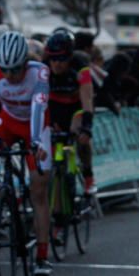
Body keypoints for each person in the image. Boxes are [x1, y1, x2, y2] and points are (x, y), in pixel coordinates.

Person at [0, 31, 54, 276]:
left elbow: (38, 109)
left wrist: (36, 142)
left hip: (36, 128)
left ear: (25, 63)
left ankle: (42, 255)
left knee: (38, 190)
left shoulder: (40, 72)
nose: (9, 76)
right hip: (8, 123)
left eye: (15, 69)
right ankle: (4, 200)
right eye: (4, 69)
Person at [43, 30, 96, 195]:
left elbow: (87, 100)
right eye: (53, 58)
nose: (57, 64)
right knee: (52, 148)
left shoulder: (80, 67)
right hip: (53, 108)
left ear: (70, 56)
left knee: (80, 136)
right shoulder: (44, 67)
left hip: (75, 109)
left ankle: (88, 175)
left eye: (62, 59)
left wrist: (87, 127)